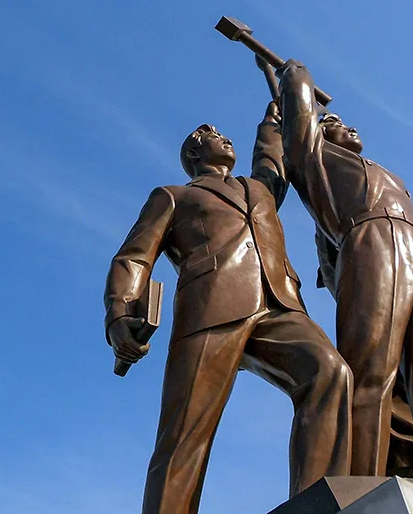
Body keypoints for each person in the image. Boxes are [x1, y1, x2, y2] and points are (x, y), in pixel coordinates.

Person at [104, 102, 352, 513]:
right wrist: (120, 313)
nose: (224, 136)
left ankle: (317, 502)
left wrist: (275, 117)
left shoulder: (259, 190)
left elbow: (271, 157)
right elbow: (134, 257)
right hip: (210, 309)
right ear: (195, 154)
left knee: (330, 373)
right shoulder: (174, 196)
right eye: (212, 134)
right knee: (185, 432)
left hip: (278, 304)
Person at [272, 59, 413, 482]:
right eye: (336, 123)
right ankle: (360, 484)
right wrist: (294, 78)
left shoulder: (379, 170)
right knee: (370, 372)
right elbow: (298, 130)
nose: (350, 127)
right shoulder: (315, 160)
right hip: (371, 238)